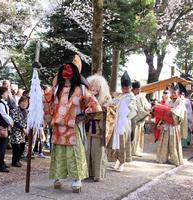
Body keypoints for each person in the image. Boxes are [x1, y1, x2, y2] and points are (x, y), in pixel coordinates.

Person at [43, 62, 101, 193]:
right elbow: (46, 100)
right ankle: (57, 177)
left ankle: (77, 179)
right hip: (58, 128)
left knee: (75, 154)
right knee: (58, 154)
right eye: (64, 77)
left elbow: (95, 106)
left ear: (74, 76)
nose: (66, 80)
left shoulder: (81, 90)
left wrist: (82, 118)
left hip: (73, 127)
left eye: (69, 77)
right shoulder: (56, 89)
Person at [107, 71, 137, 172]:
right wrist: (109, 101)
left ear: (130, 87)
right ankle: (117, 160)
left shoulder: (131, 96)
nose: (125, 90)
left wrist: (128, 106)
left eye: (127, 88)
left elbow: (133, 108)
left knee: (122, 142)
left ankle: (122, 162)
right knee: (117, 142)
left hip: (124, 123)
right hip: (118, 121)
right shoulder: (121, 96)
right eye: (123, 88)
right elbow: (113, 103)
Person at [85, 74, 112, 181]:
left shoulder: (106, 98)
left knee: (98, 150)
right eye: (91, 86)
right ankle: (85, 172)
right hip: (87, 127)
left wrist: (103, 109)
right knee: (87, 150)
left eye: (96, 87)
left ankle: (97, 174)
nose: (94, 89)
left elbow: (110, 114)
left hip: (99, 128)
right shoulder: (86, 98)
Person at [156, 84, 184, 166]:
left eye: (175, 93)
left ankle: (175, 159)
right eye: (172, 93)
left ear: (178, 93)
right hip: (166, 125)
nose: (173, 95)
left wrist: (172, 112)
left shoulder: (181, 101)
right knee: (164, 142)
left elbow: (179, 110)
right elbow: (164, 111)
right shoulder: (168, 102)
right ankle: (162, 157)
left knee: (174, 143)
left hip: (174, 126)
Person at [0, 86, 14, 172]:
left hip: (4, 126)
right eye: (6, 92)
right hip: (2, 127)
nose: (7, 94)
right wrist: (11, 121)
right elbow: (4, 115)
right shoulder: (0, 104)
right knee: (2, 147)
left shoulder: (2, 103)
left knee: (4, 146)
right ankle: (0, 165)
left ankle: (2, 163)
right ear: (2, 94)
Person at [131, 81, 151, 157]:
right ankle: (133, 150)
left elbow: (147, 105)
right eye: (138, 89)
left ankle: (137, 150)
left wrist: (148, 109)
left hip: (140, 120)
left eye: (140, 89)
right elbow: (138, 109)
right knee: (134, 136)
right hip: (134, 120)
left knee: (139, 136)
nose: (139, 90)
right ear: (134, 89)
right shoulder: (132, 96)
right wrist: (146, 113)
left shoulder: (142, 96)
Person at [10, 96, 29, 167]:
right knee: (16, 147)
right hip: (16, 132)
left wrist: (27, 129)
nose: (24, 104)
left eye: (26, 102)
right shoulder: (15, 110)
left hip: (23, 133)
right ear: (19, 102)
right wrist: (23, 129)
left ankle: (17, 160)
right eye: (23, 102)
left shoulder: (27, 111)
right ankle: (14, 161)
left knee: (22, 147)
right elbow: (15, 122)